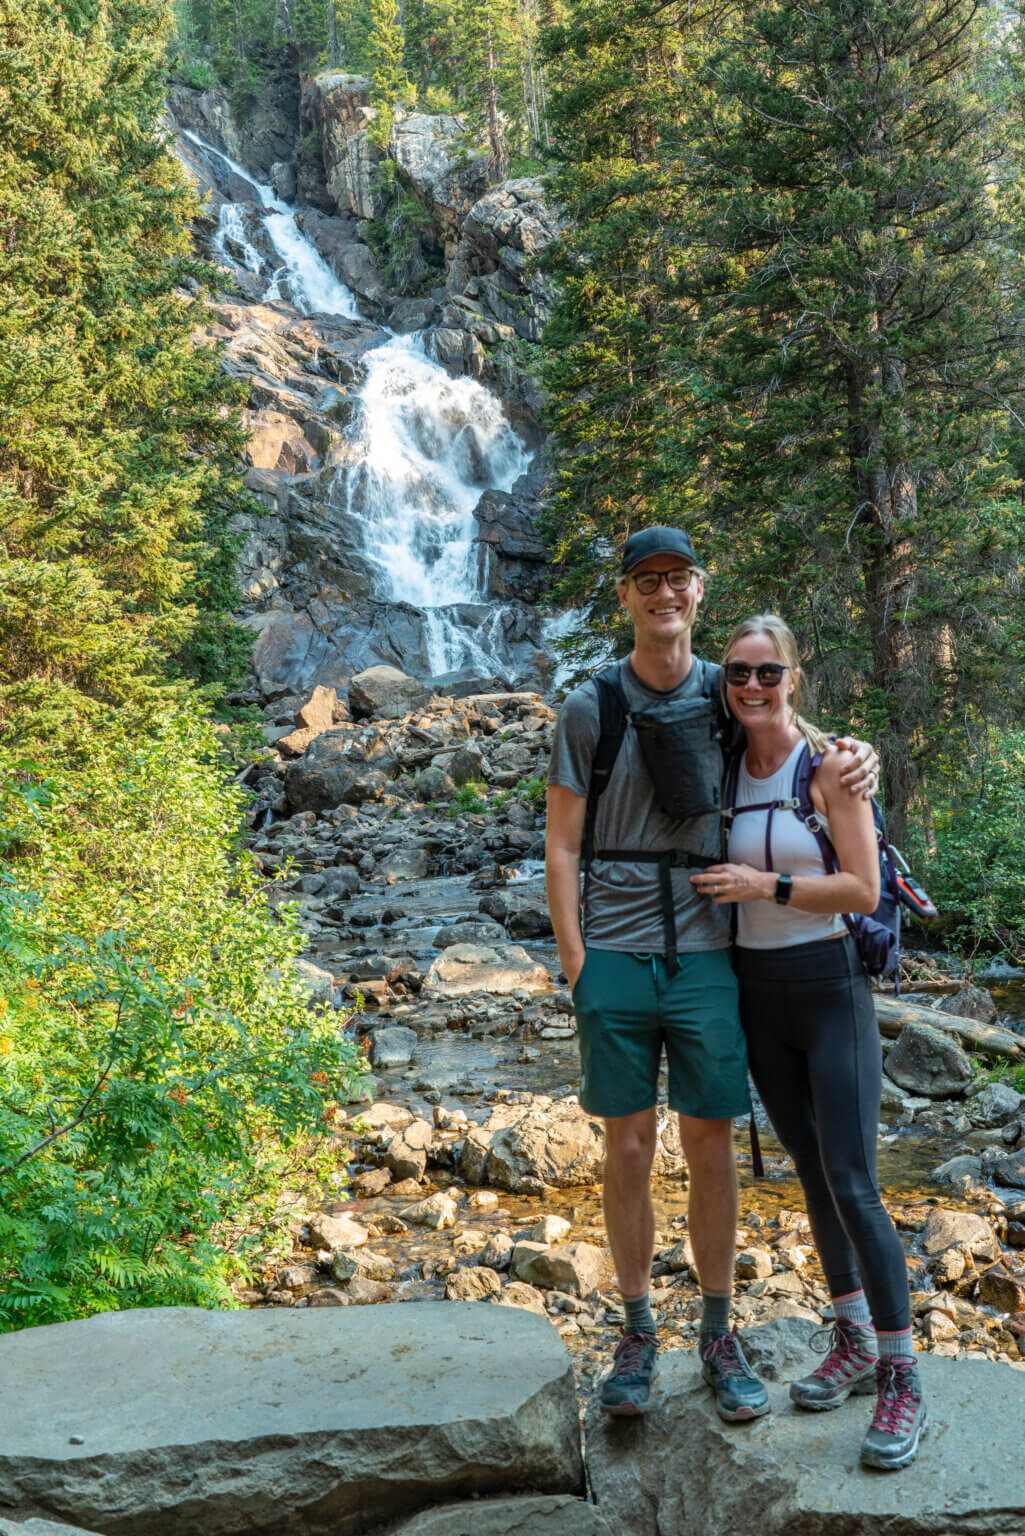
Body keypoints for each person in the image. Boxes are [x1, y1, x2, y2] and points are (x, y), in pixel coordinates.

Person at [545, 529, 878, 1422]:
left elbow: (789, 732)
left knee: (710, 1145)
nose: (663, 594)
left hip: (705, 955)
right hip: (613, 956)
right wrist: (577, 964)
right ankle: (636, 1328)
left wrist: (857, 757)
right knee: (623, 1146)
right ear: (626, 597)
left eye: (676, 580)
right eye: (645, 582)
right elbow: (562, 843)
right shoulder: (588, 708)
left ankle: (719, 1333)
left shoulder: (726, 693)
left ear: (699, 589)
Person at [690, 614, 926, 1471]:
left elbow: (863, 887)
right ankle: (852, 1335)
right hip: (756, 995)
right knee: (808, 1168)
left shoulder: (828, 767)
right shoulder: (720, 766)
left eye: (768, 673)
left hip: (829, 990)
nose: (752, 687)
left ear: (794, 676)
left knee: (856, 1178)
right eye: (738, 674)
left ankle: (902, 1372)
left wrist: (769, 884)